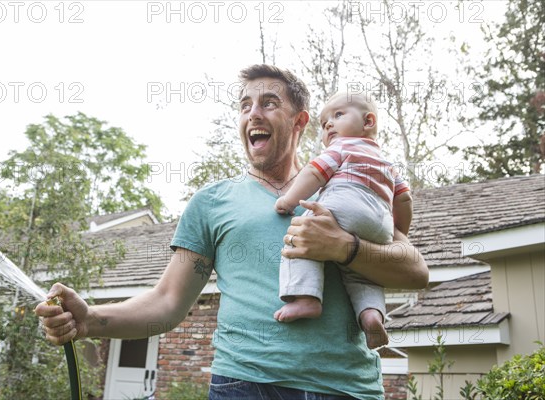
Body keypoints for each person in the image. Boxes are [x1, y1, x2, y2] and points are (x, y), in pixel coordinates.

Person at [36, 64, 428, 400]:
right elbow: (168, 301)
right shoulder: (212, 202)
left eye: (268, 103)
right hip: (246, 384)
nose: (252, 114)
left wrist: (344, 247)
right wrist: (90, 320)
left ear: (300, 121)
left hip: (349, 388)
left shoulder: (346, 184)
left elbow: (415, 271)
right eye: (244, 106)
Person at [273, 91, 413, 350]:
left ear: (368, 122)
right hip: (380, 223)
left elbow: (314, 172)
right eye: (325, 122)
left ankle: (306, 297)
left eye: (337, 115)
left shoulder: (342, 146)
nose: (328, 124)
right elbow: (404, 200)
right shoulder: (388, 164)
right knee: (364, 275)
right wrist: (398, 230)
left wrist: (289, 200)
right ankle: (371, 316)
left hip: (345, 204)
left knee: (302, 234)